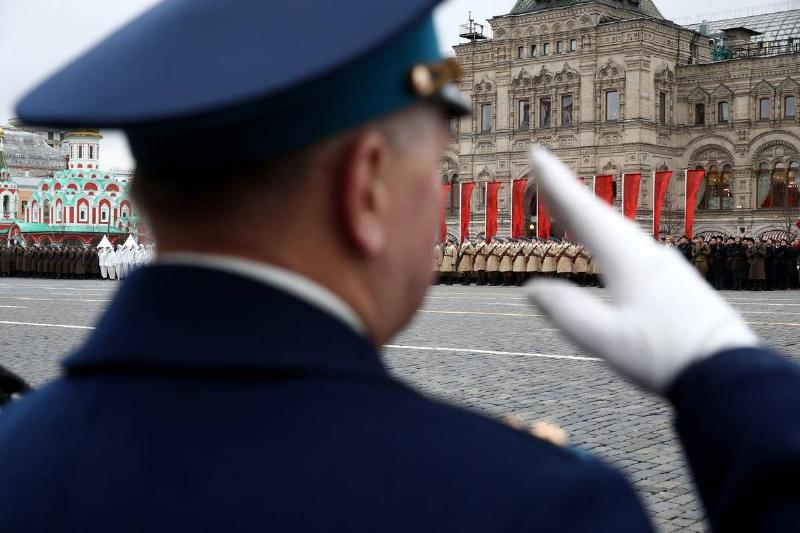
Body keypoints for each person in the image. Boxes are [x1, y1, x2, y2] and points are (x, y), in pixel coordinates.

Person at [5, 2, 800, 532]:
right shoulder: (534, 504)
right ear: (366, 187)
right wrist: (728, 379)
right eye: (435, 171)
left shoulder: (14, 454)